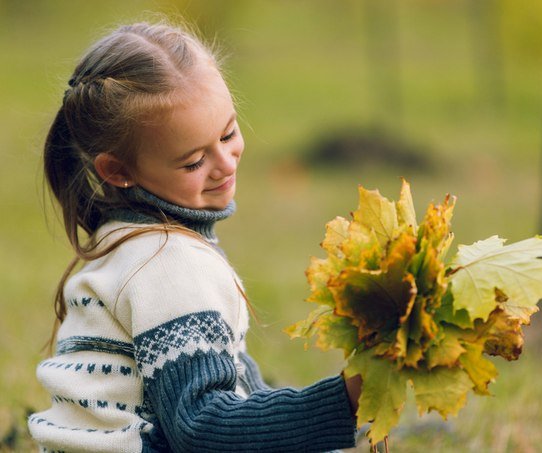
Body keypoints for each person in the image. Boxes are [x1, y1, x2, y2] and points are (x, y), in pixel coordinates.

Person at [28, 21, 362, 452]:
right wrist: (344, 402)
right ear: (118, 171)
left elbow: (229, 395)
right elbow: (203, 428)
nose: (225, 163)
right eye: (193, 162)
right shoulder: (167, 261)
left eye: (228, 134)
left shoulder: (126, 241)